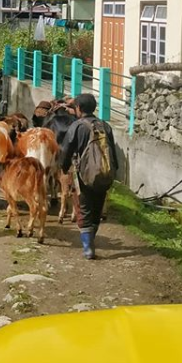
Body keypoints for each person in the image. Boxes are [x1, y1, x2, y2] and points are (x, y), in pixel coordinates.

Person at [60, 93, 118, 260]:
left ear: (78, 108)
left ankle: (88, 248)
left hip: (84, 175)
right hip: (104, 174)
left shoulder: (77, 126)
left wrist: (64, 168)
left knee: (84, 208)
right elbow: (112, 153)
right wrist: (112, 172)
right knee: (97, 207)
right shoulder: (105, 126)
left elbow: (66, 150)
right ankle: (91, 240)